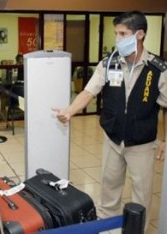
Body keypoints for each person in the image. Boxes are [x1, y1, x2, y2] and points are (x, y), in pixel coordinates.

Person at [53, 11, 167, 231]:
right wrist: (69, 111)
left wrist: (164, 139)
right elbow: (88, 92)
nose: (118, 39)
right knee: (108, 195)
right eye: (116, 33)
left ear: (140, 34)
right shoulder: (109, 63)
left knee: (141, 199)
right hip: (113, 140)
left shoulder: (157, 69)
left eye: (123, 33)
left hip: (142, 145)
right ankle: (106, 229)